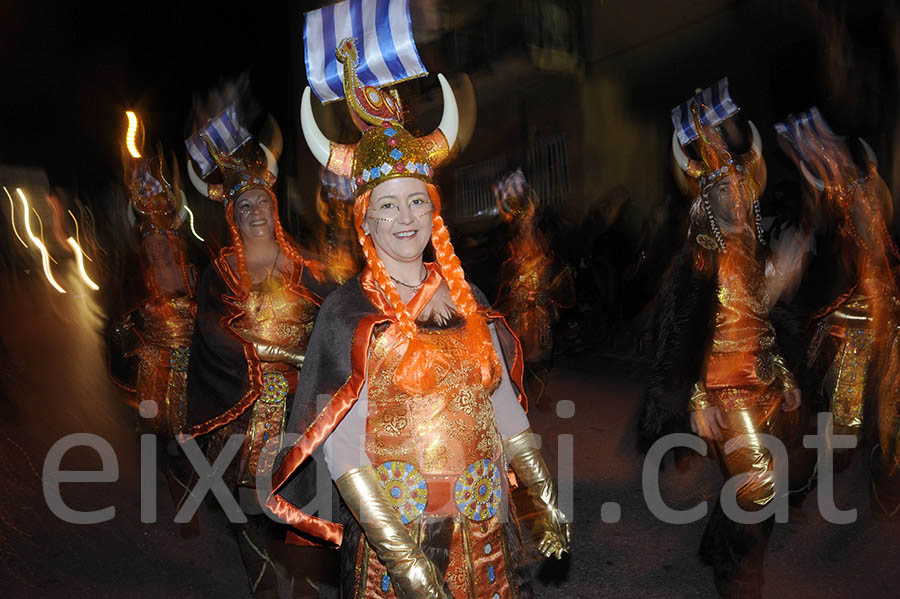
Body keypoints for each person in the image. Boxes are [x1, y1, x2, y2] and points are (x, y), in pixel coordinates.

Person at [267, 38, 569, 599]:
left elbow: (498, 397)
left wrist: (543, 493)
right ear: (365, 218)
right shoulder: (347, 313)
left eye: (416, 202)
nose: (405, 218)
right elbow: (343, 447)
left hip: (482, 526)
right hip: (400, 537)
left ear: (434, 209)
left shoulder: (464, 293)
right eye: (387, 204)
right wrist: (404, 560)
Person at [642, 99, 801, 599]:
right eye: (720, 191)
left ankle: (728, 552)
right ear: (706, 202)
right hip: (725, 393)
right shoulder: (700, 260)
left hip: (765, 387)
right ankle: (738, 579)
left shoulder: (749, 257)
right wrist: (695, 399)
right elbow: (677, 339)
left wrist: (786, 375)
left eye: (737, 187)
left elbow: (762, 328)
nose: (733, 197)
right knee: (759, 487)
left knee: (765, 487)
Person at [184, 112, 331, 596]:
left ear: (274, 208)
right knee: (248, 508)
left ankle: (306, 584)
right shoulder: (221, 272)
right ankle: (265, 584)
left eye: (260, 203)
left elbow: (331, 323)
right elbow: (210, 330)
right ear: (232, 216)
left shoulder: (308, 268)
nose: (253, 213)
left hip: (302, 404)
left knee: (305, 502)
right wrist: (268, 353)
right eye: (243, 206)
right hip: (245, 408)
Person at [776, 108, 900, 517]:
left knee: (882, 409)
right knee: (840, 419)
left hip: (878, 319)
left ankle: (880, 469)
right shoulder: (844, 206)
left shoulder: (865, 195)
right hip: (852, 322)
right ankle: (803, 477)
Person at [112, 153, 197, 438]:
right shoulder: (138, 281)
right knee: (154, 427)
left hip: (191, 365)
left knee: (187, 426)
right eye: (150, 244)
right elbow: (120, 326)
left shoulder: (193, 274)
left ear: (172, 244)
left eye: (161, 242)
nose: (156, 249)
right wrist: (137, 330)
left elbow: (211, 315)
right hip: (153, 367)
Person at [493, 170, 574, 408]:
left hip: (541, 317)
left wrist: (548, 294)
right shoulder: (509, 261)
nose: (528, 228)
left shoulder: (548, 257)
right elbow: (501, 294)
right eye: (523, 226)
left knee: (542, 355)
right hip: (519, 317)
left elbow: (560, 285)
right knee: (518, 356)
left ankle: (540, 393)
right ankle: (518, 394)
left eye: (531, 224)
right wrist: (515, 296)